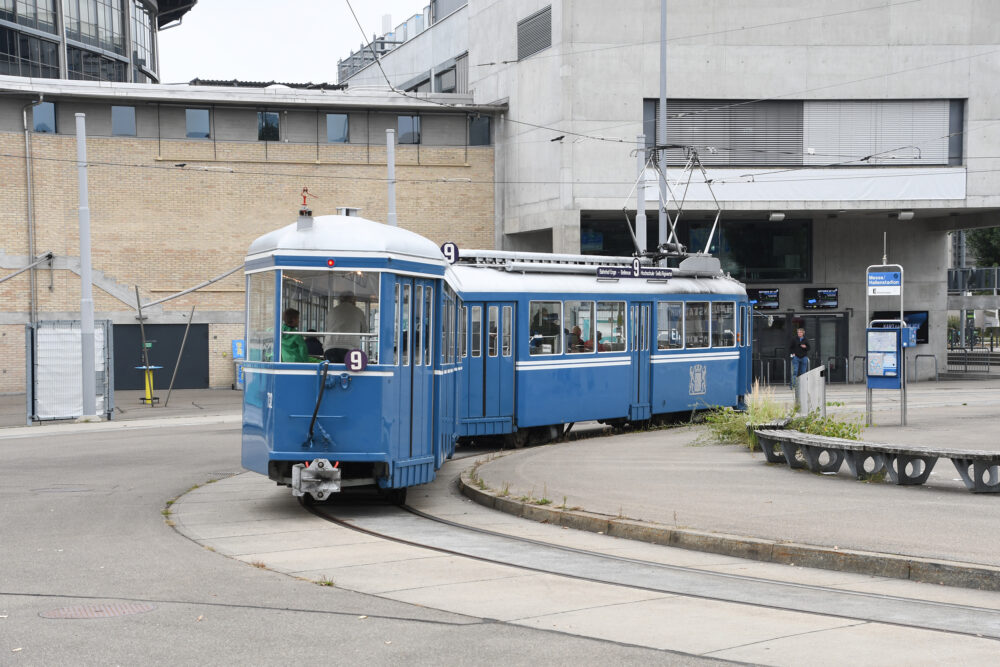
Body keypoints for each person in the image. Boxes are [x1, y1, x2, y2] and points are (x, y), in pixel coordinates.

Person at [325, 293, 367, 363]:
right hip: (350, 347)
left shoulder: (332, 311)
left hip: (330, 347)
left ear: (340, 300)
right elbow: (364, 330)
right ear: (353, 301)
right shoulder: (358, 311)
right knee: (349, 372)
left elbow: (327, 327)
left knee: (332, 371)